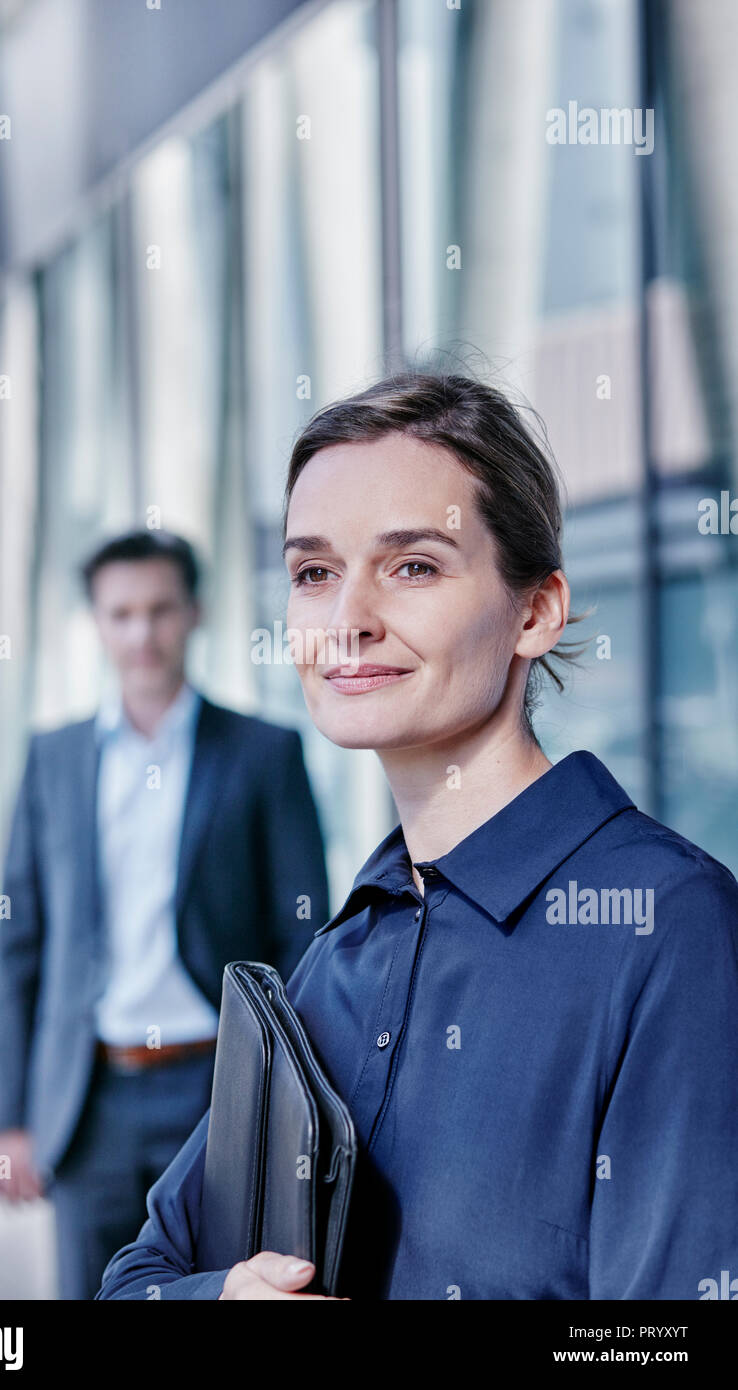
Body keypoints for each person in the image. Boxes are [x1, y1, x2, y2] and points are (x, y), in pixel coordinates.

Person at [96, 373, 738, 1301]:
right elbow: (136, 1277)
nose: (347, 621)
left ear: (536, 611)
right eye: (315, 572)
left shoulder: (670, 932)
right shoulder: (343, 953)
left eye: (413, 566)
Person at [0, 529, 329, 1299]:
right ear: (99, 623)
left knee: (217, 1289)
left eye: (160, 610)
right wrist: (10, 1119)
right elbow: (19, 947)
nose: (142, 633)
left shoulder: (262, 752)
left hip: (214, 1090)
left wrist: (288, 1097)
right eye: (122, 614)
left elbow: (303, 935)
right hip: (87, 1098)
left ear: (194, 613)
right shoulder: (54, 758)